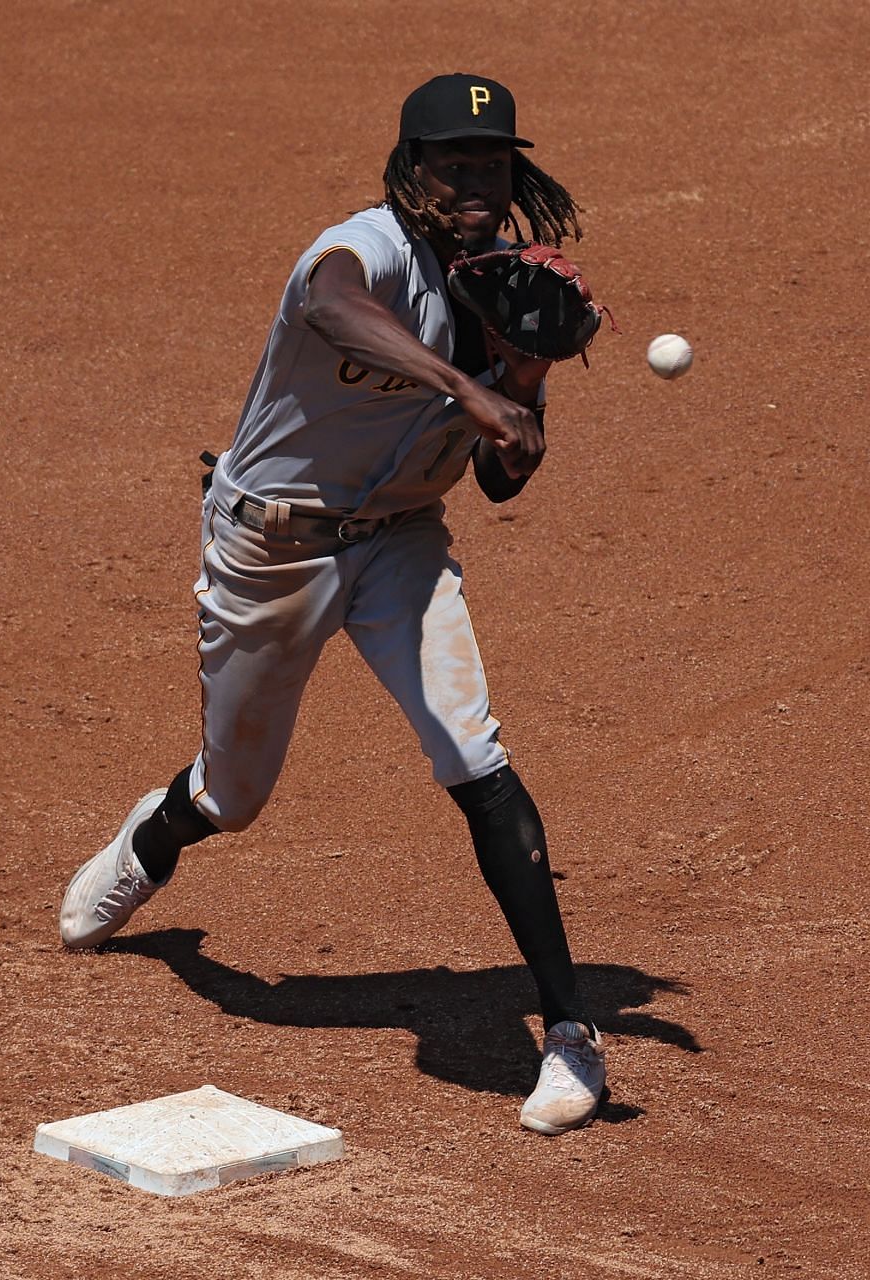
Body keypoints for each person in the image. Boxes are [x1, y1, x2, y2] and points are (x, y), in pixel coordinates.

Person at [58, 73, 608, 1136]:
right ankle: (155, 837)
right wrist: (467, 387)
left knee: (474, 754)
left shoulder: (504, 300)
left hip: (402, 545)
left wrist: (527, 385)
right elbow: (332, 305)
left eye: (491, 164)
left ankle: (574, 1030)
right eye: (452, 163)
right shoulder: (361, 251)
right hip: (272, 548)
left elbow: (499, 481)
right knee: (237, 791)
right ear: (410, 169)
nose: (475, 185)